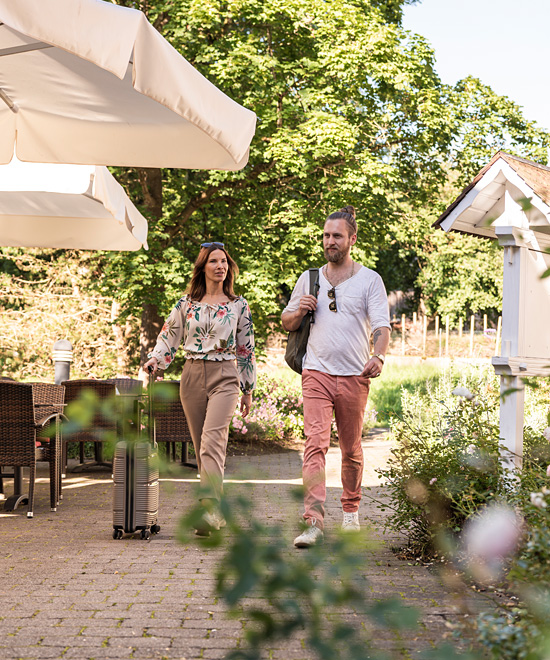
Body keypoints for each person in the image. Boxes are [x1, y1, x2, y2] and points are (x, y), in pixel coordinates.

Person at [281, 206, 390, 548]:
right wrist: (299, 309)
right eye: (326, 235)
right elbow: (287, 322)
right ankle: (313, 521)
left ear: (352, 239)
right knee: (314, 444)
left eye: (337, 236)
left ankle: (351, 510)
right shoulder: (309, 278)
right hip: (316, 372)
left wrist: (379, 356)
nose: (330, 241)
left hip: (355, 375)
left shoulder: (370, 279)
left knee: (351, 449)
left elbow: (382, 327)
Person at [144, 242, 256, 535]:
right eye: (214, 262)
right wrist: (155, 360)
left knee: (211, 441)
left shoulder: (238, 305)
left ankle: (211, 510)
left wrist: (247, 388)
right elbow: (168, 337)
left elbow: (246, 349)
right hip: (192, 375)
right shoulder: (186, 305)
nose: (221, 266)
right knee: (202, 447)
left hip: (226, 375)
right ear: (203, 267)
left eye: (224, 262)